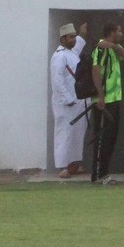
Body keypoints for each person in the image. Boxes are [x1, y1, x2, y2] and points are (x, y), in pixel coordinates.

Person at [91, 22, 124, 183]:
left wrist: (115, 47)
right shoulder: (100, 49)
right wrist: (100, 96)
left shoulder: (113, 49)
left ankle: (104, 173)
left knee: (111, 138)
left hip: (115, 99)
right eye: (119, 31)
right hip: (104, 101)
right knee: (102, 138)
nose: (121, 34)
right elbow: (95, 71)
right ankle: (97, 175)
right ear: (112, 32)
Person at [50, 23, 88, 178]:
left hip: (76, 101)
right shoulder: (59, 56)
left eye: (74, 37)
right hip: (65, 104)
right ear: (63, 39)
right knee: (64, 134)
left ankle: (73, 165)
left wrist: (82, 34)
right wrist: (68, 99)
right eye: (71, 37)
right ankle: (63, 166)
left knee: (76, 135)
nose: (74, 40)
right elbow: (57, 81)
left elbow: (77, 46)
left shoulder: (71, 52)